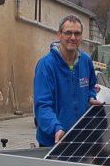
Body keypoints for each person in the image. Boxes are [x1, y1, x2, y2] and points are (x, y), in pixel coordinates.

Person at [33, 15, 103, 147]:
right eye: (68, 33)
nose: (73, 37)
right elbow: (42, 105)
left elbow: (91, 86)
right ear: (59, 34)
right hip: (54, 139)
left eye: (77, 33)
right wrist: (56, 127)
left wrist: (91, 96)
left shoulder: (86, 61)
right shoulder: (46, 65)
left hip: (80, 137)